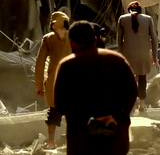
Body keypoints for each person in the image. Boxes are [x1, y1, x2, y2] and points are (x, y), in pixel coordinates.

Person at [54, 21, 138, 155]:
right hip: (114, 138)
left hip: (81, 141)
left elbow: (60, 104)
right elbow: (132, 92)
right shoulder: (117, 60)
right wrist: (115, 116)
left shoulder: (67, 65)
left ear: (71, 42)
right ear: (95, 39)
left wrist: (85, 118)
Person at [34, 11, 72, 149]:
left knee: (53, 111)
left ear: (53, 24)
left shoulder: (48, 38)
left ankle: (51, 141)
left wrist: (39, 85)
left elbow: (40, 62)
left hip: (54, 81)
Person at [117, 1, 158, 112]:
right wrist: (154, 55)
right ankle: (142, 103)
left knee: (128, 79)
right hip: (144, 54)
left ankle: (131, 103)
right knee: (142, 78)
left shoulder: (122, 19)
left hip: (128, 54)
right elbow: (154, 39)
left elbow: (119, 40)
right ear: (140, 10)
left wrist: (120, 55)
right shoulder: (148, 19)